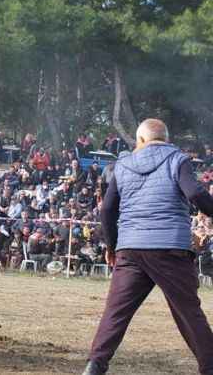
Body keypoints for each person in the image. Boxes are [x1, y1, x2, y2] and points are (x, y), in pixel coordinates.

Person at [82, 119, 213, 375]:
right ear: (165, 138)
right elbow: (196, 195)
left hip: (130, 248)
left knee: (116, 313)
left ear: (140, 140)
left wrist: (112, 246)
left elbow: (107, 209)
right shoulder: (178, 159)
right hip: (169, 248)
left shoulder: (123, 164)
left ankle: (94, 366)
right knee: (188, 313)